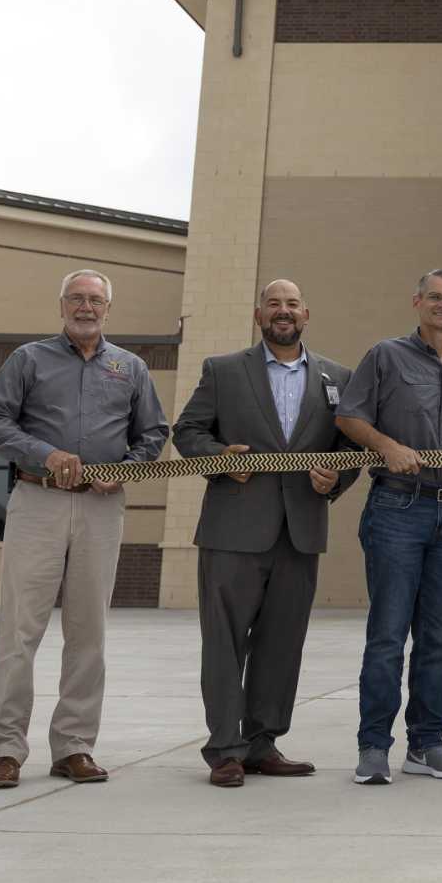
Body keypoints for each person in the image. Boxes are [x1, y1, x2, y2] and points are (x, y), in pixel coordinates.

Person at [0, 270, 168, 788]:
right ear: (61, 304)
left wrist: (126, 468)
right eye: (77, 299)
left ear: (109, 309)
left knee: (89, 631)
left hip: (102, 510)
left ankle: (75, 746)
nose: (87, 307)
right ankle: (5, 751)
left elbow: (153, 433)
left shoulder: (129, 367)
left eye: (96, 300)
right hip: (38, 501)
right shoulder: (28, 360)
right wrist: (46, 453)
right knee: (19, 631)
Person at [172, 278, 359, 787]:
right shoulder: (224, 371)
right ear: (259, 316)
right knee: (225, 642)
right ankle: (225, 749)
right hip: (233, 528)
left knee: (282, 643)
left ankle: (263, 743)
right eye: (273, 304)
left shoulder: (337, 377)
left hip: (300, 531)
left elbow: (350, 447)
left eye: (292, 304)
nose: (283, 311)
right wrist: (218, 459)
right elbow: (187, 432)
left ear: (305, 314)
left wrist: (334, 477)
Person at [336, 269, 442, 787]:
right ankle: (374, 747)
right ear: (417, 302)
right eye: (435, 297)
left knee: (438, 640)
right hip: (398, 510)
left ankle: (427, 744)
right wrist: (386, 446)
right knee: (387, 636)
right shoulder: (386, 355)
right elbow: (349, 417)